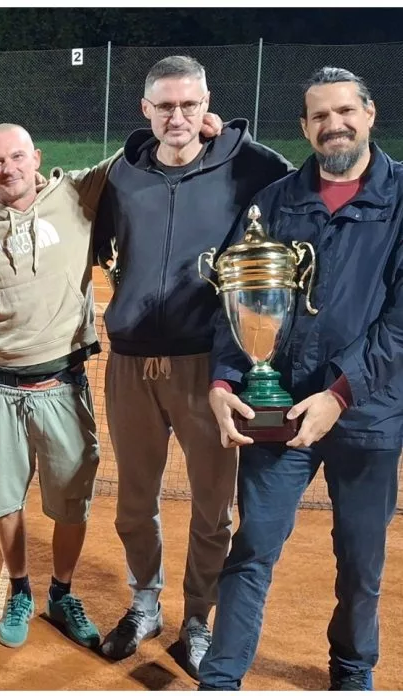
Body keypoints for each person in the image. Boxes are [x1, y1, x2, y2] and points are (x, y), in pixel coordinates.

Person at [201, 66, 402, 691]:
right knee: (252, 549)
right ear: (305, 127)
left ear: (369, 114)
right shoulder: (275, 201)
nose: (333, 125)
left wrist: (340, 394)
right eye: (320, 116)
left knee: (361, 564)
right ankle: (222, 677)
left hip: (367, 414)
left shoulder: (401, 199)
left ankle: (352, 670)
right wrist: (224, 381)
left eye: (345, 112)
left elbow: (400, 323)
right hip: (280, 406)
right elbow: (235, 302)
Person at [91, 55, 292, 677]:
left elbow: (296, 185)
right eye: (165, 106)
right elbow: (87, 236)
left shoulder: (248, 168)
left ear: (207, 107)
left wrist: (237, 140)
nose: (177, 117)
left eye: (189, 104)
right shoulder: (121, 176)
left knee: (213, 508)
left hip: (211, 369)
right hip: (131, 365)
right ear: (145, 110)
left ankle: (198, 617)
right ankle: (145, 603)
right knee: (134, 503)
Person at [0, 123, 116, 652]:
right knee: (5, 501)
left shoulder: (76, 192)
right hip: (0, 391)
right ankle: (20, 590)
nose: (8, 168)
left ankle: (62, 593)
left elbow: (140, 152)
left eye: (17, 157)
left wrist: (209, 132)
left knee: (71, 504)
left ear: (36, 158)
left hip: (63, 386)